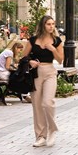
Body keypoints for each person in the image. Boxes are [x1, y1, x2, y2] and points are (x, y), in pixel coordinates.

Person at [20, 15, 63, 147]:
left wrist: (53, 49)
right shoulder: (33, 40)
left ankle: (52, 130)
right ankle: (41, 136)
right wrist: (30, 62)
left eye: (53, 24)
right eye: (48, 24)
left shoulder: (56, 40)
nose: (51, 26)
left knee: (47, 103)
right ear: (43, 25)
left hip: (50, 72)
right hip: (36, 74)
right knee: (37, 105)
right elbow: (23, 57)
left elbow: (60, 60)